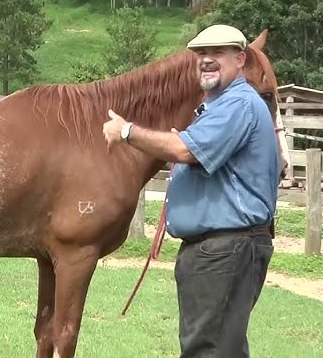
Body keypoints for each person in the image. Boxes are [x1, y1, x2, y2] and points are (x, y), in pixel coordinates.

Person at [102, 24, 280, 357]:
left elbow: (187, 150)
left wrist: (126, 130)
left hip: (226, 249)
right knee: (215, 346)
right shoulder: (219, 108)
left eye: (217, 53)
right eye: (200, 54)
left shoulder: (237, 104)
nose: (206, 61)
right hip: (218, 250)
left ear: (240, 59)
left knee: (209, 350)